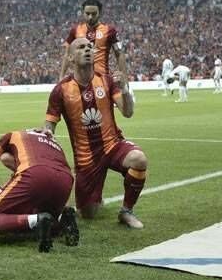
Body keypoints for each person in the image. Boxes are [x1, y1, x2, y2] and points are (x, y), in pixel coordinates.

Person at [45, 37, 148, 229]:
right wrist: (47, 132)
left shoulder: (106, 80)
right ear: (70, 58)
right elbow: (49, 124)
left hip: (112, 145)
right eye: (81, 47)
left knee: (139, 159)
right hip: (86, 158)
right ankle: (95, 196)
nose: (87, 50)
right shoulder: (61, 90)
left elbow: (128, 112)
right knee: (88, 213)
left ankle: (126, 211)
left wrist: (125, 89)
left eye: (89, 47)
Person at [60, 0, 127, 81]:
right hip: (80, 80)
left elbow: (119, 53)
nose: (90, 17)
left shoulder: (109, 30)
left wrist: (124, 77)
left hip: (102, 79)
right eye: (87, 13)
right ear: (83, 12)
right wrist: (61, 76)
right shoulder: (75, 30)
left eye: (94, 14)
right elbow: (67, 54)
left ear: (100, 13)